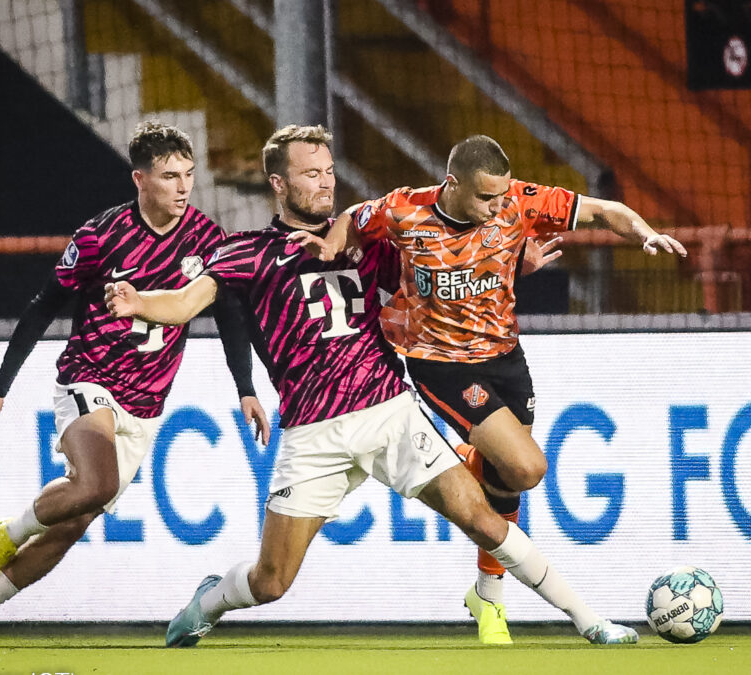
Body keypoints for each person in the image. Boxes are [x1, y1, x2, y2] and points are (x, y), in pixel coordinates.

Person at [104, 124, 638, 647]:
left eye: (329, 171)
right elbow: (184, 303)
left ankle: (589, 621)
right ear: (279, 184)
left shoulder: (367, 242)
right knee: (272, 582)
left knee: (482, 517)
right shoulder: (246, 252)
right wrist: (140, 304)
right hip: (315, 434)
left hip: (389, 412)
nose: (326, 183)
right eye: (311, 174)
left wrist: (510, 263)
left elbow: (440, 276)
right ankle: (210, 601)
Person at [292, 134, 687, 644]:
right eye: (485, 198)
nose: (496, 207)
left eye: (501, 196)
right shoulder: (405, 211)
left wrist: (645, 234)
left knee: (506, 478)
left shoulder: (518, 202)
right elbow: (355, 215)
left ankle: (488, 594)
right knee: (526, 466)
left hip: (505, 357)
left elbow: (605, 210)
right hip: (441, 364)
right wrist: (330, 242)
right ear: (452, 183)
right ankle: (455, 463)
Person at [0, 121, 268, 647]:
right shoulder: (100, 235)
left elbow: (228, 312)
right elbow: (43, 305)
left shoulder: (207, 239)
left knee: (72, 523)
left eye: (188, 175)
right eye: (169, 176)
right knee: (97, 483)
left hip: (148, 402)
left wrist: (245, 387)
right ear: (139, 179)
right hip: (88, 379)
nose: (182, 188)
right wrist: (1, 387)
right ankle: (10, 532)